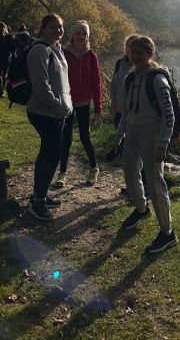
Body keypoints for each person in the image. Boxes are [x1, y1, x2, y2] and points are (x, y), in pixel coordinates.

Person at [113, 35, 178, 253]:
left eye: (140, 53)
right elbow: (126, 111)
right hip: (132, 132)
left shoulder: (158, 80)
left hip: (152, 134)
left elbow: (169, 116)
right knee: (130, 172)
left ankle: (167, 233)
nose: (136, 57)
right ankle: (141, 208)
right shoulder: (130, 78)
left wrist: (162, 143)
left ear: (150, 54)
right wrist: (119, 135)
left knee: (155, 181)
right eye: (133, 52)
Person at [26, 13, 72, 221]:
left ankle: (40, 195)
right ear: (43, 28)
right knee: (53, 153)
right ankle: (38, 202)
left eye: (60, 27)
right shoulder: (39, 50)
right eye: (53, 27)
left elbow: (61, 82)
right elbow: (41, 86)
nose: (58, 31)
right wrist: (58, 106)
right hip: (44, 112)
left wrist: (66, 105)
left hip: (56, 112)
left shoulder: (57, 48)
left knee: (48, 152)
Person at [55, 20, 102, 187]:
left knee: (84, 137)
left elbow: (97, 83)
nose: (81, 36)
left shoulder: (91, 56)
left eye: (84, 34)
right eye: (78, 33)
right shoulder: (62, 53)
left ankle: (94, 168)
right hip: (66, 101)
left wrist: (98, 107)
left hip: (83, 102)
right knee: (65, 137)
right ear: (72, 35)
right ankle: (63, 172)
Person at [109, 33, 148, 195]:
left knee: (139, 153)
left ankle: (145, 186)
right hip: (120, 112)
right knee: (126, 153)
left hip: (136, 115)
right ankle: (132, 185)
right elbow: (114, 84)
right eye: (129, 47)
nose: (132, 51)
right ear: (126, 48)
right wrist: (112, 103)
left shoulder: (143, 66)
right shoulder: (120, 62)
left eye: (135, 48)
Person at [0, 21, 15, 97]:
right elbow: (12, 48)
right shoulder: (9, 37)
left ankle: (1, 89)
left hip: (2, 56)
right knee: (4, 75)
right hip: (6, 58)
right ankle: (1, 89)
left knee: (1, 74)